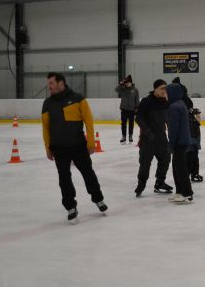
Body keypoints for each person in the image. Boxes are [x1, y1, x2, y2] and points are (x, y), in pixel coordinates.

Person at [42, 72, 107, 224]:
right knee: (64, 178)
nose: (49, 86)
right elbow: (45, 128)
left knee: (88, 174)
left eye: (51, 83)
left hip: (78, 145)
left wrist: (91, 142)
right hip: (59, 148)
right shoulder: (47, 103)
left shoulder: (78, 99)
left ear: (60, 83)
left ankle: (98, 200)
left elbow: (89, 121)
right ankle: (70, 206)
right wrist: (48, 147)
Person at [134, 79, 174, 197]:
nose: (164, 91)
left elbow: (167, 118)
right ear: (155, 89)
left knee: (165, 159)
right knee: (145, 164)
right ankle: (141, 185)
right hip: (148, 139)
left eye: (165, 89)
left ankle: (160, 183)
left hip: (161, 137)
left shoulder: (165, 102)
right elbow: (138, 118)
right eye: (162, 88)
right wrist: (147, 131)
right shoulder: (146, 102)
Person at [167, 82, 194, 203]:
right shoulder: (181, 104)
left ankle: (187, 192)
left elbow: (173, 129)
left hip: (179, 142)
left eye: (167, 93)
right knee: (177, 167)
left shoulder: (174, 107)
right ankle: (179, 191)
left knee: (180, 168)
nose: (166, 95)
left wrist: (171, 144)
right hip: (183, 140)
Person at [115, 75, 139, 144]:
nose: (127, 84)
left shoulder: (135, 90)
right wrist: (121, 84)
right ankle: (123, 136)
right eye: (126, 83)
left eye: (128, 82)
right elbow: (116, 90)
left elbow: (137, 100)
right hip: (124, 109)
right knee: (123, 123)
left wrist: (137, 108)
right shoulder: (123, 88)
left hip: (132, 109)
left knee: (131, 123)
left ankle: (130, 136)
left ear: (131, 82)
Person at [188, 107, 203, 182]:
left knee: (195, 160)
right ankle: (192, 174)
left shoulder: (194, 124)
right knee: (191, 160)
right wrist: (194, 145)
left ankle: (194, 174)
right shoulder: (192, 125)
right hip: (191, 146)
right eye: (198, 116)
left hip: (194, 146)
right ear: (193, 117)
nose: (200, 118)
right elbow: (192, 137)